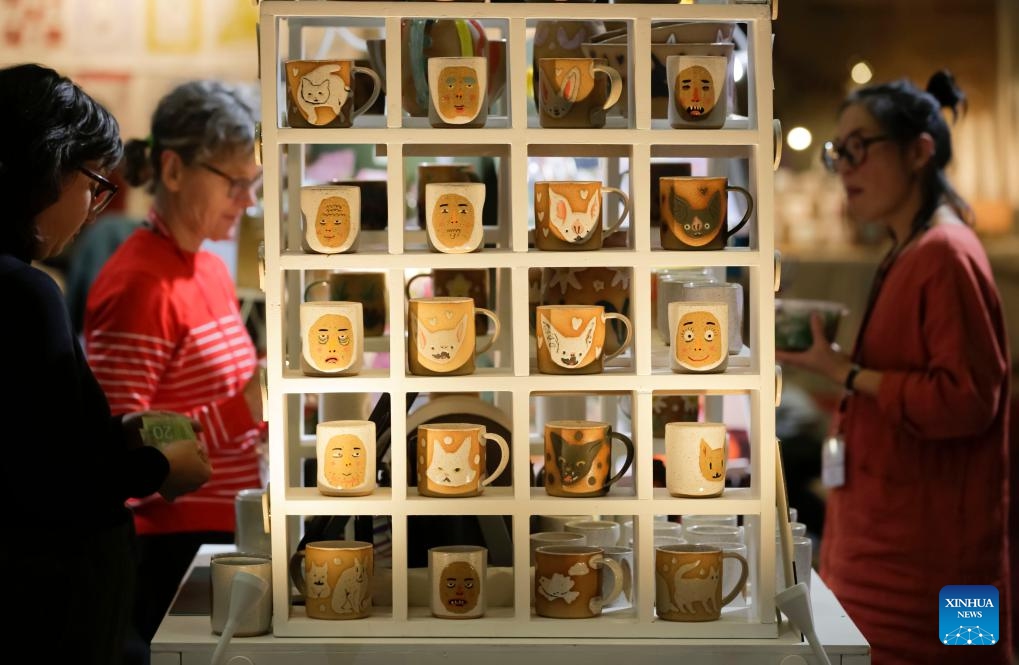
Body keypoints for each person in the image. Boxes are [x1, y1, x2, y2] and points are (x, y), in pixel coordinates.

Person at [777, 70, 1012, 664]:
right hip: (886, 549)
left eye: (858, 148)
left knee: (964, 655)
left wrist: (845, 373)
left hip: (935, 570)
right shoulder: (909, 247)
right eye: (837, 154)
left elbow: (966, 399)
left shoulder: (945, 254)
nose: (845, 168)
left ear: (918, 152)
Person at [0, 63, 212, 665]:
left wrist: (114, 434)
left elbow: (27, 442)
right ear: (45, 167)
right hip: (53, 615)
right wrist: (155, 465)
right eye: (95, 182)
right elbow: (47, 486)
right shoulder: (23, 292)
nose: (96, 206)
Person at [83, 80, 265, 645]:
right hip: (170, 547)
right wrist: (243, 409)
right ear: (174, 169)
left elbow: (197, 400)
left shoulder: (205, 267)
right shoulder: (139, 282)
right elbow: (119, 451)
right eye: (234, 183)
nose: (248, 200)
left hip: (222, 532)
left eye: (251, 183)